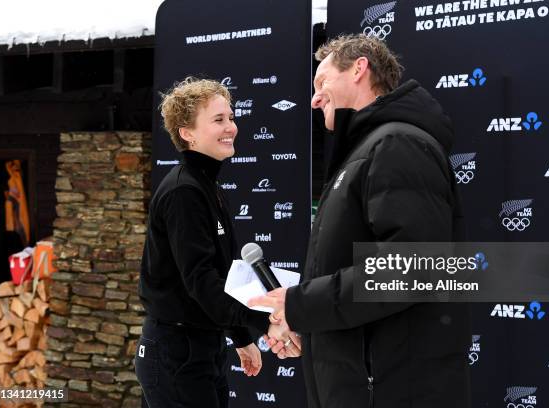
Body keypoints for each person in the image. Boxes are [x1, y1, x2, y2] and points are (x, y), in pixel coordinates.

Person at [249, 34, 471, 408]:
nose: (314, 98)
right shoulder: (366, 152)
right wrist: (307, 322)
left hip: (391, 390)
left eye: (322, 82)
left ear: (359, 69)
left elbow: (413, 266)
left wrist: (302, 305)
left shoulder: (396, 145)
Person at [136, 78, 270, 408]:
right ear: (187, 133)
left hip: (201, 347)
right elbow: (202, 283)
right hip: (175, 353)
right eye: (219, 120)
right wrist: (267, 322)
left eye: (231, 117)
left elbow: (224, 273)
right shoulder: (185, 192)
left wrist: (241, 337)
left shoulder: (208, 187)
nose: (231, 127)